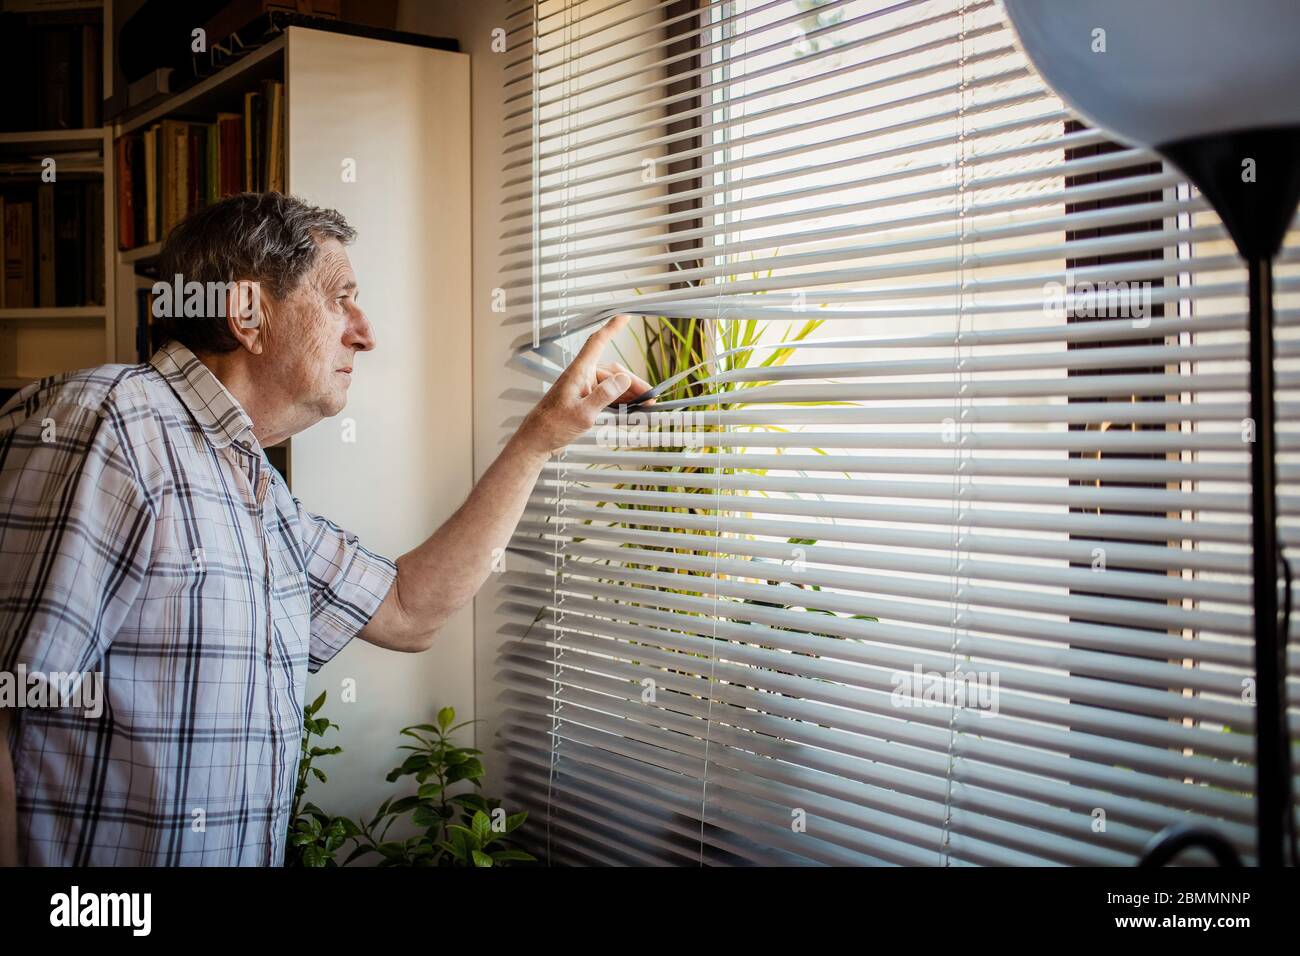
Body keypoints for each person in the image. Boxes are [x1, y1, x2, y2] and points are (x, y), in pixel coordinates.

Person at [0, 192, 648, 866]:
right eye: (341, 298)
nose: (365, 333)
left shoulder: (252, 485)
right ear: (247, 313)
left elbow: (407, 611)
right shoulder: (110, 422)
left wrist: (540, 438)